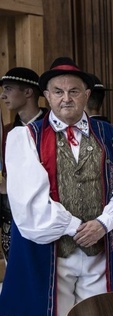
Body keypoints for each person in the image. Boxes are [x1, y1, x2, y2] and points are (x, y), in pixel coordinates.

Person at [0, 57, 113, 316]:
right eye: (58, 91)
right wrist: (77, 227)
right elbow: (30, 203)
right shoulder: (26, 138)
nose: (66, 98)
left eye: (74, 91)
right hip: (50, 257)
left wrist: (103, 224)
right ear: (46, 95)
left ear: (86, 94)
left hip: (100, 255)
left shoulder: (110, 136)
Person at [0, 66, 48, 260]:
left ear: (28, 92)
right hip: (11, 208)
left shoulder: (51, 128)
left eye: (9, 89)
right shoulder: (7, 132)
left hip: (44, 209)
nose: (3, 96)